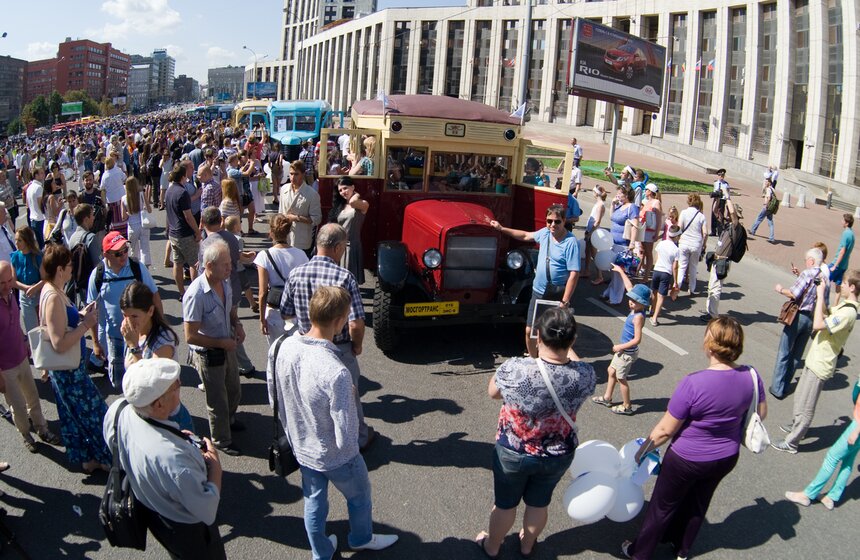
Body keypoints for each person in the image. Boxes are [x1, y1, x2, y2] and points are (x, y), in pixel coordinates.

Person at [621, 316, 766, 560]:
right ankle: (682, 549)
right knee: (698, 503)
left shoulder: (694, 382)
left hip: (687, 458)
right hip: (726, 456)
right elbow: (760, 414)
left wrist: (641, 451)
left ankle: (639, 553)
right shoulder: (751, 376)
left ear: (710, 343)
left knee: (662, 507)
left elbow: (665, 431)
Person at [268, 286, 398, 559]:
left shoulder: (281, 346)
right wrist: (351, 455)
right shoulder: (336, 371)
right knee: (360, 497)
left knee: (314, 502)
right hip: (336, 456)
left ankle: (321, 552)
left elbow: (274, 394)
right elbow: (346, 431)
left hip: (302, 446)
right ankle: (361, 538)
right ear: (339, 321)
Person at [476, 308, 595, 559]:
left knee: (505, 504)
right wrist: (567, 345)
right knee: (538, 503)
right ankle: (527, 545)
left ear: (538, 336)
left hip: (514, 449)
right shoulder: (585, 375)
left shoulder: (517, 368)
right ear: (572, 340)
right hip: (558, 452)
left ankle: (492, 546)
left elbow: (493, 393)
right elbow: (575, 362)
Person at [103, 359, 226, 559]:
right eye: (176, 385)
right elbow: (207, 509)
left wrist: (174, 435)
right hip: (187, 529)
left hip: (152, 511)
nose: (180, 386)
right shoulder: (173, 459)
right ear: (159, 403)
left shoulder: (118, 409)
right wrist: (215, 467)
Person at [280, 224, 376, 450]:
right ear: (338, 247)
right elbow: (356, 322)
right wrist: (357, 346)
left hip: (307, 345)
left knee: (313, 394)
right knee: (348, 397)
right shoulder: (344, 277)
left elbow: (286, 312)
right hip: (339, 348)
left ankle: (321, 435)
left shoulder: (296, 274)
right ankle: (357, 438)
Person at [39, 243, 111, 473]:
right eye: (69, 265)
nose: (72, 269)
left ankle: (90, 459)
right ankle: (103, 458)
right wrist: (86, 324)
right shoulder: (52, 297)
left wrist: (79, 315)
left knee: (77, 415)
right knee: (94, 414)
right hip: (69, 372)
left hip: (71, 369)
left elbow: (62, 322)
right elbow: (58, 342)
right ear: (60, 269)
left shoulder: (55, 289)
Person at [771, 270, 859, 453]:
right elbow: (827, 314)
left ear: (852, 287)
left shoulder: (849, 312)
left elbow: (818, 324)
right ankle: (797, 426)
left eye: (843, 283)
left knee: (807, 405)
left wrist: (819, 297)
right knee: (800, 397)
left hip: (822, 363)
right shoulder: (845, 306)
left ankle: (792, 442)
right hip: (815, 358)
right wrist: (826, 293)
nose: (841, 285)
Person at [490, 204, 580, 358]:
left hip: (556, 294)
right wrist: (501, 229)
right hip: (538, 292)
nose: (552, 225)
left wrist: (565, 301)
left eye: (557, 221)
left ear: (564, 221)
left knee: (556, 334)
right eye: (549, 221)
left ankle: (560, 363)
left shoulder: (571, 242)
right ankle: (534, 361)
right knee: (530, 331)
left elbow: (574, 273)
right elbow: (525, 235)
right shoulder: (545, 233)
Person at [183, 240, 245, 456]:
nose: (230, 268)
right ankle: (221, 439)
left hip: (227, 345)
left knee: (234, 389)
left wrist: (237, 325)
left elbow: (230, 311)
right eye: (225, 264)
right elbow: (190, 336)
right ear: (209, 266)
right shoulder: (195, 294)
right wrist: (220, 343)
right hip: (209, 353)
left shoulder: (224, 282)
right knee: (217, 399)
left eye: (230, 263)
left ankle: (229, 419)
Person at [0, 261, 62, 453]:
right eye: (3, 282)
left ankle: (42, 429)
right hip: (5, 367)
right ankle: (26, 434)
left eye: (10, 280)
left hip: (21, 358)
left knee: (33, 397)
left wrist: (25, 342)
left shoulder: (11, 296)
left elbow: (15, 325)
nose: (8, 285)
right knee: (17, 406)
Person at [87, 231, 161, 390]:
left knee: (143, 378)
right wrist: (95, 343)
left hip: (141, 336)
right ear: (106, 254)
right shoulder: (98, 275)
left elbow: (154, 294)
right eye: (118, 253)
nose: (124, 255)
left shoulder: (136, 268)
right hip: (114, 338)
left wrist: (159, 324)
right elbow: (91, 311)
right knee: (121, 382)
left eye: (125, 250)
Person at [785, 379, 860, 510]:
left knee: (832, 457)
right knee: (848, 460)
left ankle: (808, 495)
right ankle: (832, 496)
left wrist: (857, 430)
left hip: (857, 426)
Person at [769, 248, 830, 400]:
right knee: (796, 355)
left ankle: (777, 387)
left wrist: (780, 289)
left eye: (806, 260)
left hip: (798, 316)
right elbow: (824, 303)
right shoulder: (824, 278)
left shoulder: (807, 273)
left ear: (811, 260)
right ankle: (785, 385)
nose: (805, 262)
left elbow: (794, 293)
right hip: (811, 318)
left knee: (784, 350)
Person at [592, 265, 648, 415]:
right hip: (624, 350)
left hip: (627, 352)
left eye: (635, 301)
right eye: (631, 299)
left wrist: (620, 347)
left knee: (621, 378)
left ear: (643, 303)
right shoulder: (636, 308)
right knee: (611, 371)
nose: (631, 302)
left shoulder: (638, 317)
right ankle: (607, 398)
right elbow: (629, 286)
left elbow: (637, 339)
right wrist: (621, 271)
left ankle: (627, 406)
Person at [255, 214, 308, 345]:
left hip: (275, 312)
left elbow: (262, 293)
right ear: (289, 232)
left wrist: (262, 320)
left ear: (271, 232)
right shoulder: (301, 254)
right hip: (297, 312)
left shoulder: (264, 256)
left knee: (275, 352)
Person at [701, 200, 743, 321]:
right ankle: (710, 311)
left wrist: (728, 197)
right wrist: (718, 199)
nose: (728, 215)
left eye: (730, 213)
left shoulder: (736, 227)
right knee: (711, 287)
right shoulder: (727, 225)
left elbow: (734, 215)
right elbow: (715, 212)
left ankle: (713, 315)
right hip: (716, 260)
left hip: (722, 262)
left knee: (716, 288)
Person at [166, 164, 202, 296]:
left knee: (178, 263)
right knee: (194, 263)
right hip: (185, 233)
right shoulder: (182, 193)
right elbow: (188, 216)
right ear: (183, 176)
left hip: (173, 233)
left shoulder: (169, 190)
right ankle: (195, 293)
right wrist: (197, 232)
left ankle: (182, 292)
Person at [603, 186, 639, 305]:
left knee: (619, 273)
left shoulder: (632, 207)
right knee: (614, 270)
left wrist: (632, 243)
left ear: (627, 195)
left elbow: (635, 225)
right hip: (613, 242)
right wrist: (613, 205)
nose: (617, 195)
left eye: (620, 193)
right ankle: (609, 292)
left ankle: (615, 298)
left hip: (623, 244)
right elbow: (612, 217)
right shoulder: (619, 205)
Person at [279, 160, 322, 257]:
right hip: (285, 237)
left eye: (296, 174)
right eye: (291, 174)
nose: (293, 177)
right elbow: (280, 212)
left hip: (302, 240)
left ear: (303, 174)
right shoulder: (284, 189)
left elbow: (317, 219)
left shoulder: (312, 194)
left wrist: (296, 218)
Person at [330, 177, 369, 285]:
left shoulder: (363, 204)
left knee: (348, 282)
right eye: (340, 190)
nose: (343, 192)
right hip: (338, 246)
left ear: (353, 187)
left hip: (351, 246)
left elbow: (352, 202)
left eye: (345, 188)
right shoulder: (340, 205)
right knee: (337, 282)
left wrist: (356, 194)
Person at [11, 226, 42, 334]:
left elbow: (45, 279)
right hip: (25, 297)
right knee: (32, 331)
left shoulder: (38, 256)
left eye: (19, 240)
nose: (16, 243)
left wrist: (35, 288)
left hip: (39, 295)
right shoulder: (14, 257)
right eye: (15, 240)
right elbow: (13, 281)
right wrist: (26, 288)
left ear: (27, 240)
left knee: (43, 328)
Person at [649, 226, 681, 326]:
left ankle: (652, 309)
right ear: (677, 237)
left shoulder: (661, 243)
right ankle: (654, 318)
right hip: (666, 273)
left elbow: (656, 257)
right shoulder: (676, 249)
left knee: (654, 291)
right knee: (661, 296)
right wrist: (675, 281)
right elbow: (675, 267)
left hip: (657, 270)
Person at [677, 194, 707, 295]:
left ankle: (677, 287)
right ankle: (692, 289)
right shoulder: (701, 216)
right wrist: (704, 244)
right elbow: (705, 233)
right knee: (693, 267)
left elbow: (679, 227)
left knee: (682, 266)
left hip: (684, 241)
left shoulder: (684, 213)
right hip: (696, 243)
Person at [121, 176, 152, 266]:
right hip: (143, 224)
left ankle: (135, 268)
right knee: (145, 248)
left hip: (132, 226)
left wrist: (128, 212)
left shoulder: (123, 199)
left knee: (133, 250)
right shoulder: (141, 194)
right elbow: (149, 210)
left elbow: (123, 217)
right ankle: (145, 268)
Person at [828, 213, 854, 305]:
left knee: (822, 279)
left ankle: (821, 304)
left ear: (847, 223)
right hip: (844, 265)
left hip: (837, 264)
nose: (841, 221)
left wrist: (834, 266)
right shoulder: (852, 234)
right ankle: (835, 307)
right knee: (838, 288)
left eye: (843, 220)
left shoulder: (846, 234)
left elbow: (842, 251)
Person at [638, 184, 663, 278]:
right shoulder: (647, 201)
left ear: (650, 191)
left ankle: (646, 276)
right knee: (642, 251)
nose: (645, 191)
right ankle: (638, 271)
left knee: (648, 253)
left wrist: (656, 234)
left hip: (649, 231)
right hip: (643, 230)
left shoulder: (656, 203)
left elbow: (659, 219)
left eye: (646, 189)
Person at [584, 185, 607, 284]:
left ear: (597, 193)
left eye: (593, 191)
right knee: (587, 251)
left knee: (594, 254)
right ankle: (586, 270)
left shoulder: (600, 204)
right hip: (589, 230)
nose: (593, 193)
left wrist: (590, 232)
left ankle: (600, 275)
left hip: (593, 232)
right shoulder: (598, 203)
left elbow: (597, 221)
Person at [100, 156, 128, 237]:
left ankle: (116, 233)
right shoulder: (118, 171)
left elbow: (102, 188)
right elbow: (125, 178)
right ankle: (124, 231)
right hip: (121, 196)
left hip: (111, 199)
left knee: (114, 219)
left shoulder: (105, 175)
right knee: (122, 215)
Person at [749, 177, 776, 243]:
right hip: (771, 208)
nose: (765, 183)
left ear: (769, 182)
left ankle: (752, 230)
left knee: (759, 218)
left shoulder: (769, 189)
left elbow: (769, 197)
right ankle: (772, 238)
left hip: (767, 207)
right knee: (771, 223)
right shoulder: (773, 189)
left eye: (766, 182)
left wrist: (765, 204)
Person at [25, 167, 46, 248]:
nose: (43, 175)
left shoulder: (29, 187)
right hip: (40, 219)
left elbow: (28, 204)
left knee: (38, 246)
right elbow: (41, 204)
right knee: (43, 246)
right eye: (41, 173)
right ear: (36, 175)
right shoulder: (38, 187)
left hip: (32, 219)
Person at [710, 168, 730, 237]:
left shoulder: (726, 184)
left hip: (722, 200)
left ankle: (720, 231)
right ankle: (713, 231)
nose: (721, 177)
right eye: (720, 175)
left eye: (722, 175)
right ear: (718, 176)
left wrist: (727, 201)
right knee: (713, 214)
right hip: (716, 199)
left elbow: (728, 193)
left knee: (720, 215)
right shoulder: (715, 183)